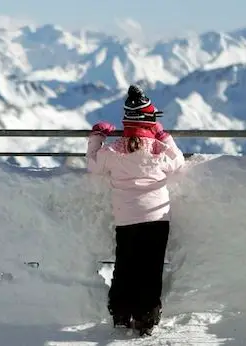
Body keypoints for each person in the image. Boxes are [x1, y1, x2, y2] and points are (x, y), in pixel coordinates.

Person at [86, 85, 185, 336]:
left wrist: (97, 136)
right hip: (156, 217)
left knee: (126, 264)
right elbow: (178, 162)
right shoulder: (159, 151)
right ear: (150, 122)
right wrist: (165, 137)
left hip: (126, 218)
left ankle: (120, 311)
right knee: (150, 268)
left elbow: (93, 165)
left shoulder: (112, 151)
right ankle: (146, 316)